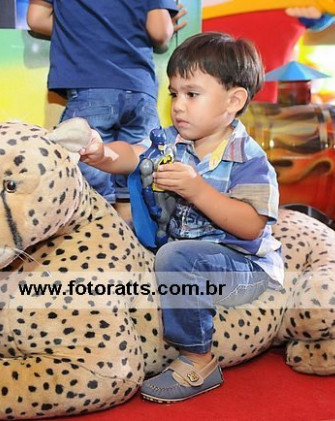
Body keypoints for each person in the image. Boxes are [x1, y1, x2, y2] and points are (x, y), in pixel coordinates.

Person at [79, 32, 284, 403]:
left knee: (176, 257)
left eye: (192, 94)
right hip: (184, 254)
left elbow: (252, 225)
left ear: (234, 100)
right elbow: (135, 154)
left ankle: (198, 359)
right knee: (127, 240)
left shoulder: (249, 159)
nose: (178, 106)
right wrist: (103, 154)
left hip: (243, 267)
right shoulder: (171, 142)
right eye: (174, 94)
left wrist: (198, 191)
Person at [27, 0, 186, 205]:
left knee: (90, 184)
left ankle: (98, 218)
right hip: (140, 90)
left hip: (89, 85)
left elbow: (36, 18)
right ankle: (130, 223)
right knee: (139, 177)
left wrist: (80, 28)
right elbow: (160, 31)